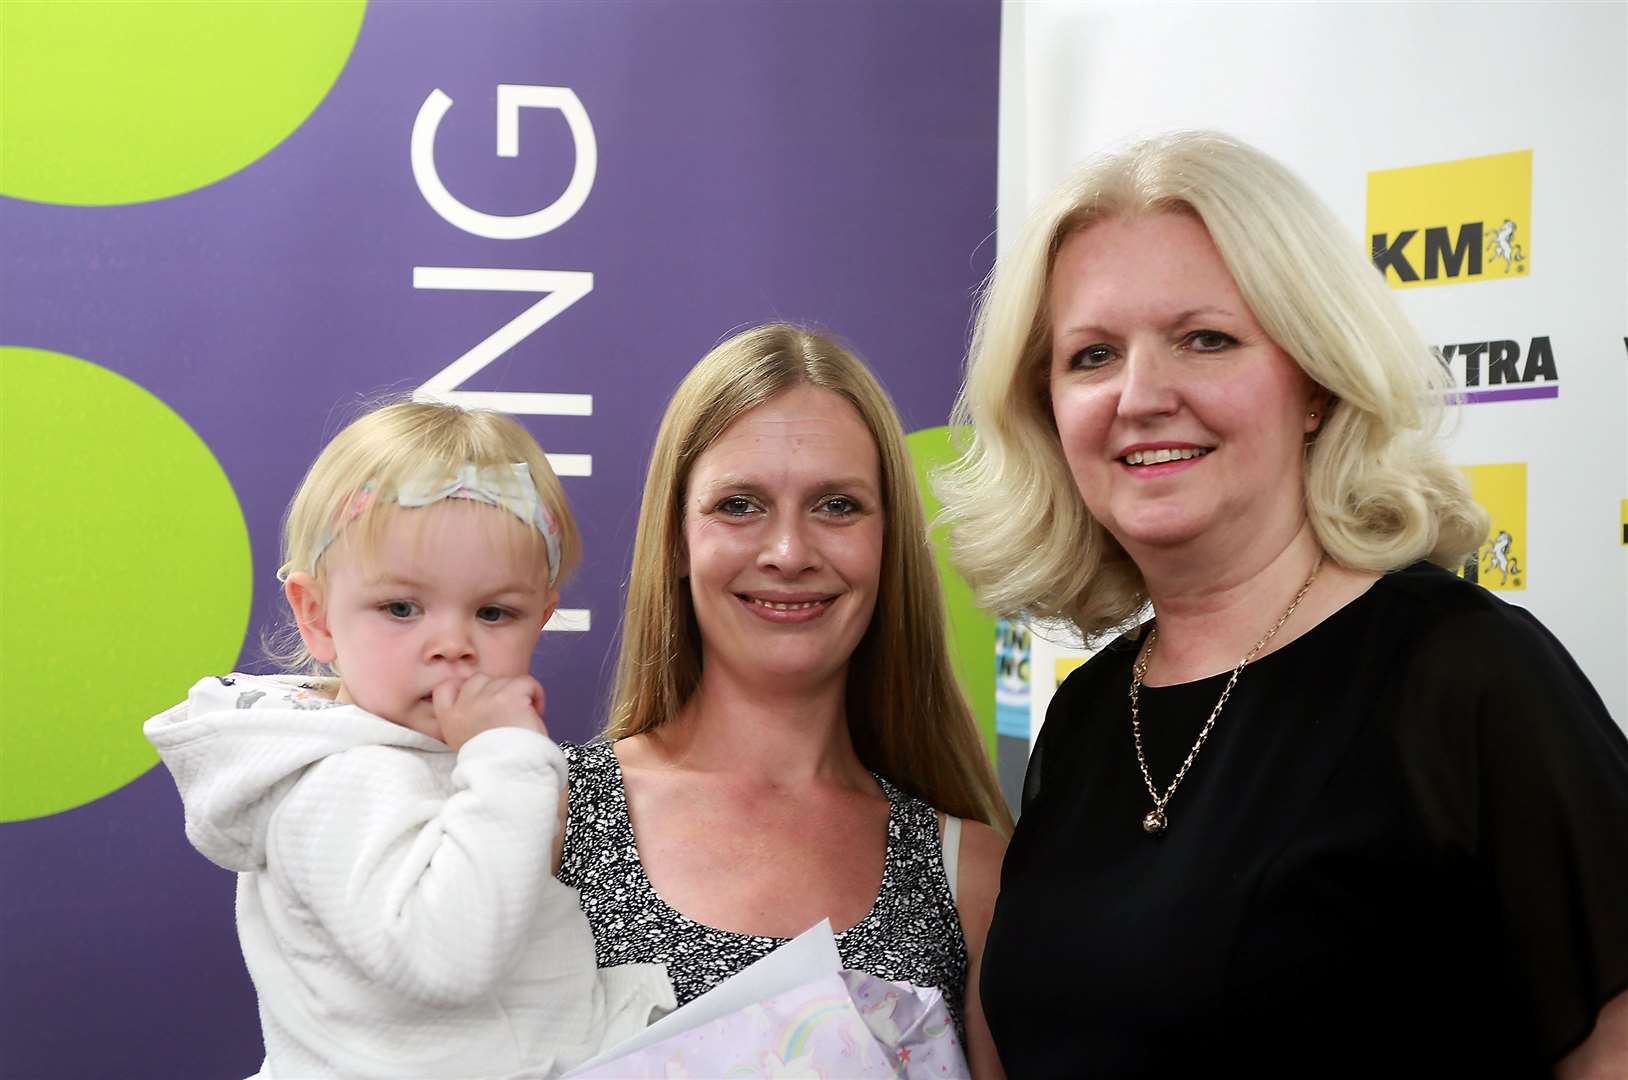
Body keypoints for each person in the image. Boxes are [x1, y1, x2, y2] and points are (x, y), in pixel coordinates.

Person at [936, 131, 1628, 1077]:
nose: (1141, 395)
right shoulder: (1090, 714)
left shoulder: (1464, 675)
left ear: (1312, 380)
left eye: (1205, 339)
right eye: (1092, 355)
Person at [144, 401, 673, 1079]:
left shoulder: (452, 760)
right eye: (401, 608)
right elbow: (447, 954)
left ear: (539, 621)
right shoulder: (338, 781)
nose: (451, 645)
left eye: (493, 612)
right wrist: (510, 762)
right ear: (317, 617)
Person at [554, 324, 1013, 1076]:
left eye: (837, 505)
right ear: (675, 539)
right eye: (739, 505)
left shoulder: (970, 875)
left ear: (889, 542)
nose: (790, 552)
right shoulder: (545, 817)